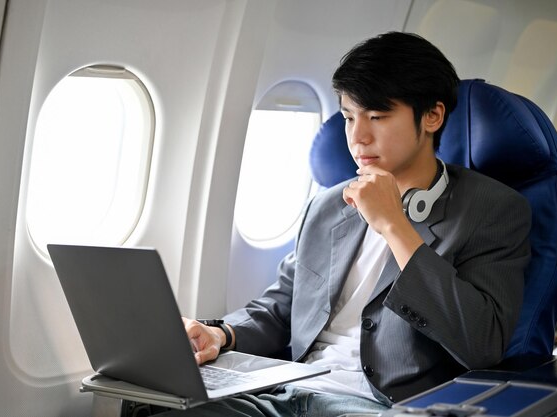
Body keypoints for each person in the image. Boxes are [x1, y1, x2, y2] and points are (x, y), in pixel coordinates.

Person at [157, 31, 531, 416]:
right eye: (350, 117)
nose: (358, 137)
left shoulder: (493, 211)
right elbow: (283, 306)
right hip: (287, 391)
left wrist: (394, 226)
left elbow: (481, 343)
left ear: (433, 116)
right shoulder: (327, 206)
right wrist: (221, 333)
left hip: (381, 404)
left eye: (378, 117)